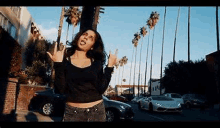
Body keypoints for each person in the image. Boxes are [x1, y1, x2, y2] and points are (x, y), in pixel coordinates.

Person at [47, 28, 118, 122]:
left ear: (92, 46)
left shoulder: (96, 63)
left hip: (96, 111)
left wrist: (109, 67)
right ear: (79, 37)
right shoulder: (65, 61)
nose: (85, 37)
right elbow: (60, 89)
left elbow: (101, 88)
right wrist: (58, 64)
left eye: (90, 38)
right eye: (84, 34)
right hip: (72, 113)